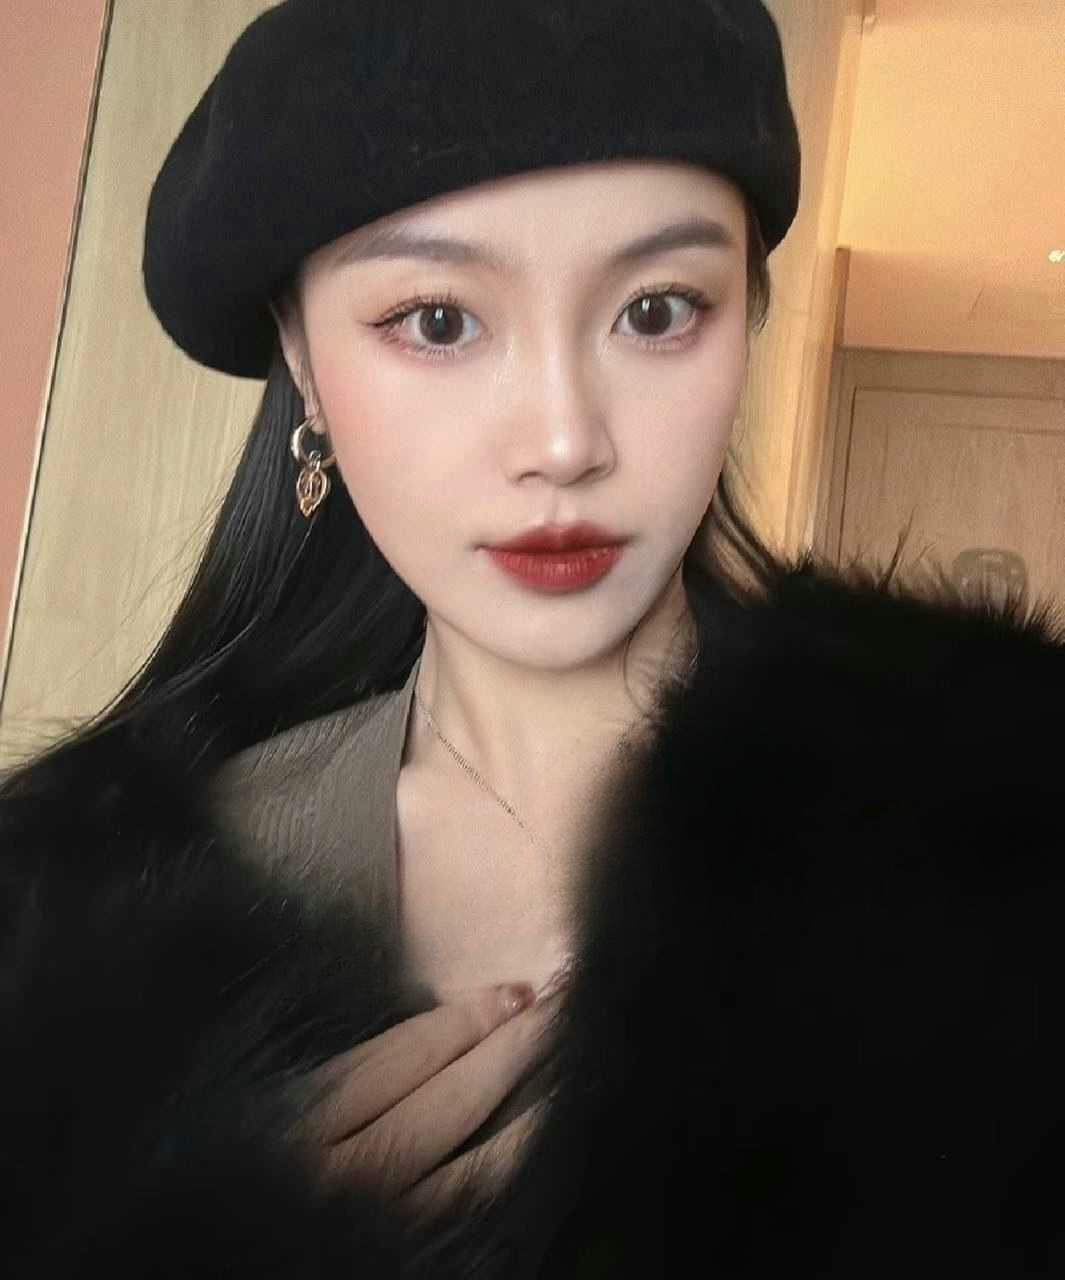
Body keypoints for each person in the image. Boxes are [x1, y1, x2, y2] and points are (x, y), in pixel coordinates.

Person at [4, 2, 1065, 1276]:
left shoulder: (1000, 841)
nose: (565, 438)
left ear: (747, 316)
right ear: (303, 357)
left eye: (658, 309)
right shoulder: (95, 930)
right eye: (440, 321)